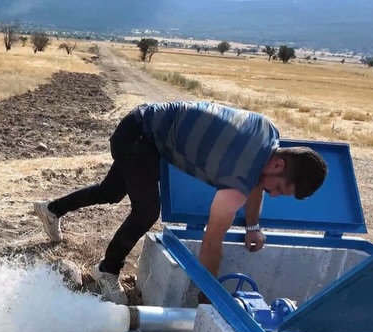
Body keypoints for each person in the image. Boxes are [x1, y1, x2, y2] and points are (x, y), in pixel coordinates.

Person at [32, 101, 328, 305]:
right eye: (279, 189)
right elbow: (211, 243)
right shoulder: (240, 181)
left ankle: (51, 209)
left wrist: (253, 226)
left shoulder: (269, 133)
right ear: (278, 165)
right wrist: (208, 297)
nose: (273, 195)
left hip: (143, 123)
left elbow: (256, 183)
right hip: (139, 136)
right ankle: (106, 270)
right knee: (147, 210)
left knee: (111, 192)